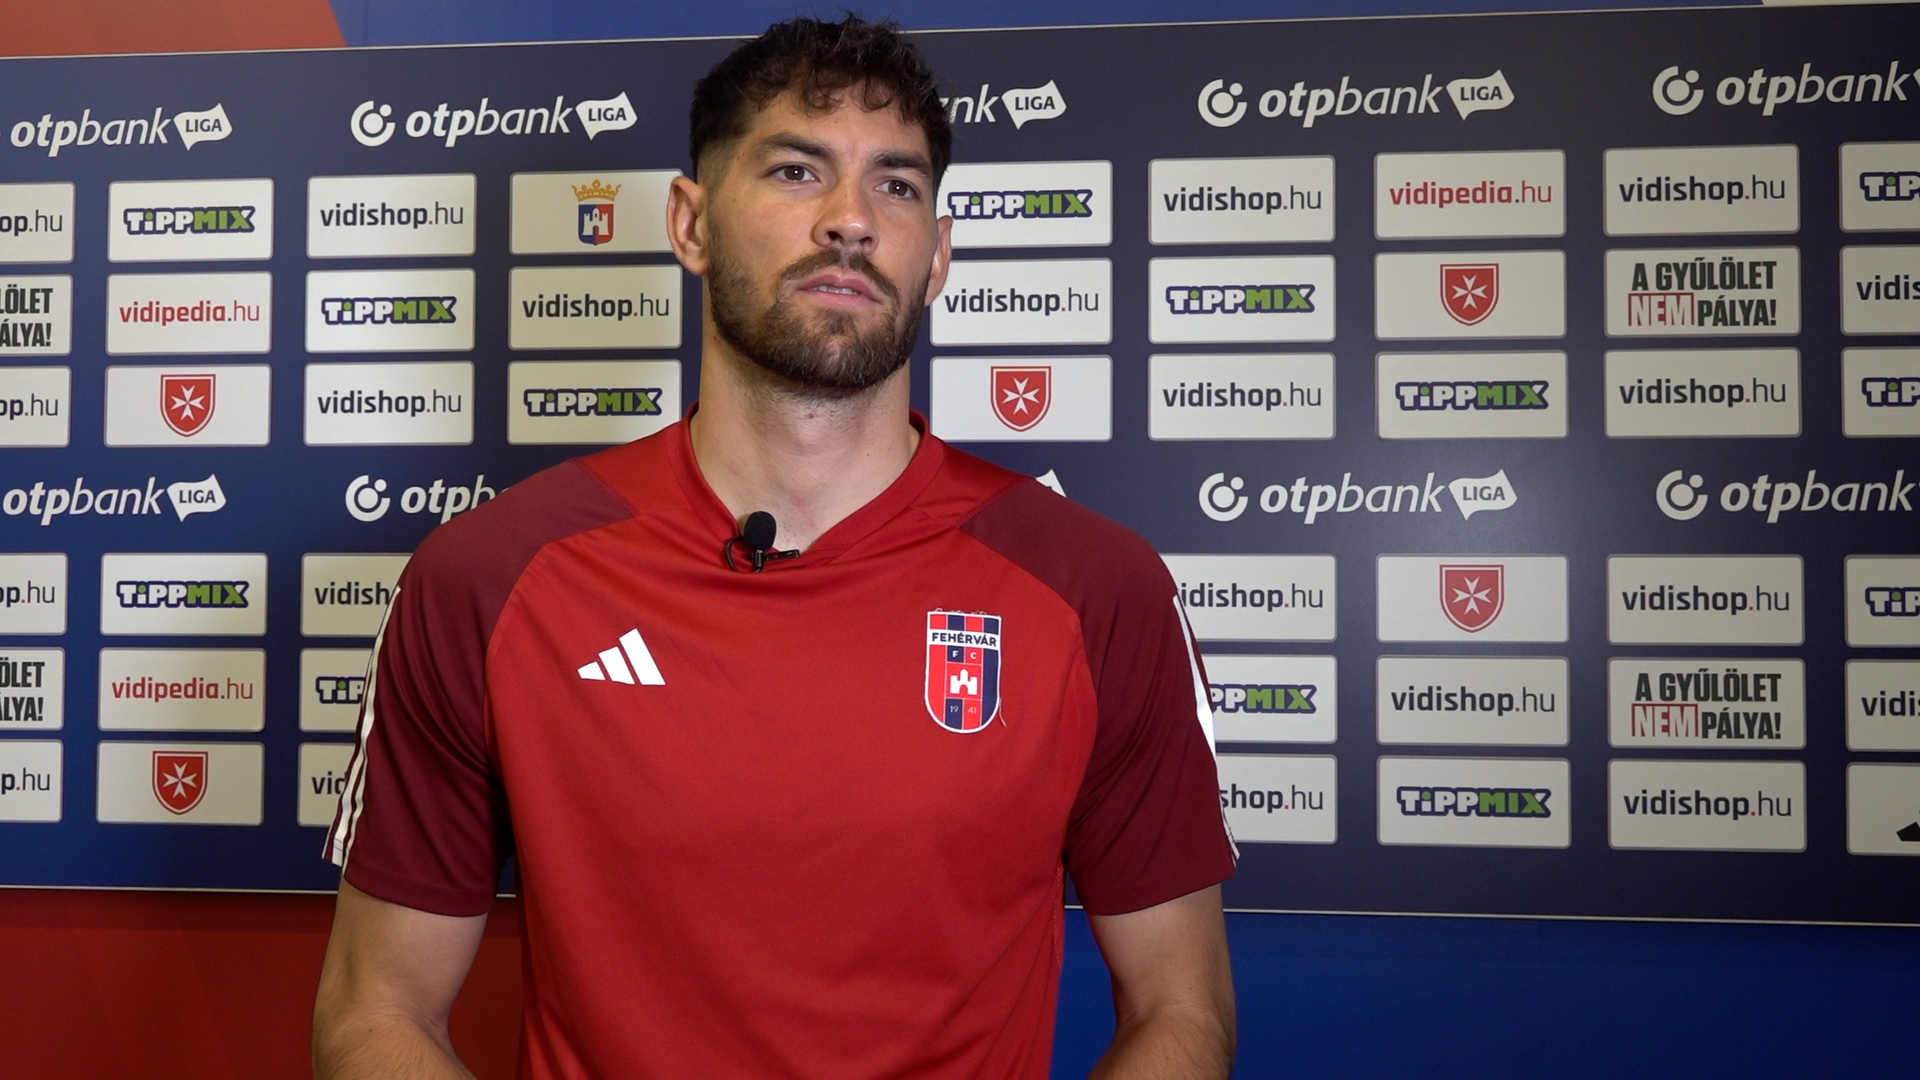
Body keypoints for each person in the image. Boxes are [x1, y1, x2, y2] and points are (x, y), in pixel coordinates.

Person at [312, 16, 1236, 1079]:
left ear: (938, 254)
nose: (851, 219)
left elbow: (1182, 1013)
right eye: (798, 171)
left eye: (896, 185)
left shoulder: (1095, 588)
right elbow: (373, 1012)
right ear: (690, 223)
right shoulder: (487, 578)